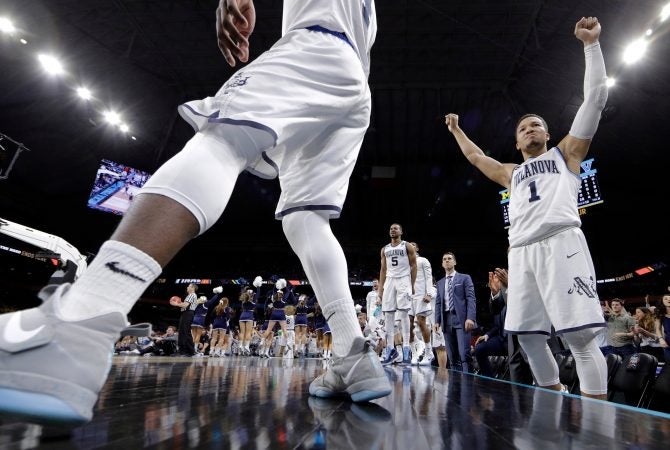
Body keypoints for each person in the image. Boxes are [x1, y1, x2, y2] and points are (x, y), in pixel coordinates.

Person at [0, 0, 388, 425]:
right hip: (354, 81)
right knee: (306, 219)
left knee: (222, 140)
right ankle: (354, 355)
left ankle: (76, 324)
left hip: (316, 44)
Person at [444, 17, 608, 398]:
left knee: (580, 337)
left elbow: (596, 97)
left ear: (547, 134)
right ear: (517, 142)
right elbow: (474, 156)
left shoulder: (567, 153)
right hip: (520, 253)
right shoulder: (510, 173)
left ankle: (598, 423)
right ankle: (553, 403)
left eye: (536, 126)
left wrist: (591, 45)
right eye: (523, 128)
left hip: (560, 242)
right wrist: (455, 129)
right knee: (529, 338)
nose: (530, 129)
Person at [378, 223, 417, 366]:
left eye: (396, 228)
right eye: (391, 228)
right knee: (388, 315)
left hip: (403, 280)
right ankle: (390, 349)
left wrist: (412, 285)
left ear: (401, 231)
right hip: (389, 280)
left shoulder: (407, 246)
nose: (393, 230)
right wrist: (380, 289)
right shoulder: (385, 249)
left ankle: (406, 348)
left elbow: (413, 265)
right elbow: (383, 269)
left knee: (404, 314)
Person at [433, 252, 476, 373]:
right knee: (452, 357)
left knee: (464, 355)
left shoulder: (464, 278)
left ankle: (468, 385)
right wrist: (437, 321)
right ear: (442, 264)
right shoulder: (440, 282)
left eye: (449, 259)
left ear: (455, 262)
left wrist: (470, 318)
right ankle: (455, 387)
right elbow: (438, 303)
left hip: (462, 319)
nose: (447, 260)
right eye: (444, 259)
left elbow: (471, 298)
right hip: (446, 320)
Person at [473, 269, 510, 378]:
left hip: (516, 341)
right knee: (479, 349)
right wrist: (487, 335)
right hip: (502, 338)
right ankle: (488, 380)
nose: (499, 281)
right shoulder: (500, 294)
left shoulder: (518, 291)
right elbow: (497, 323)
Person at [407, 242, 435, 366]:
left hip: (421, 295)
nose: (410, 247)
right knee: (407, 327)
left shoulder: (423, 260)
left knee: (421, 322)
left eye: (413, 245)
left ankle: (429, 353)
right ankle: (414, 354)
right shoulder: (404, 263)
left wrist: (429, 293)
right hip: (408, 297)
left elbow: (429, 277)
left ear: (417, 248)